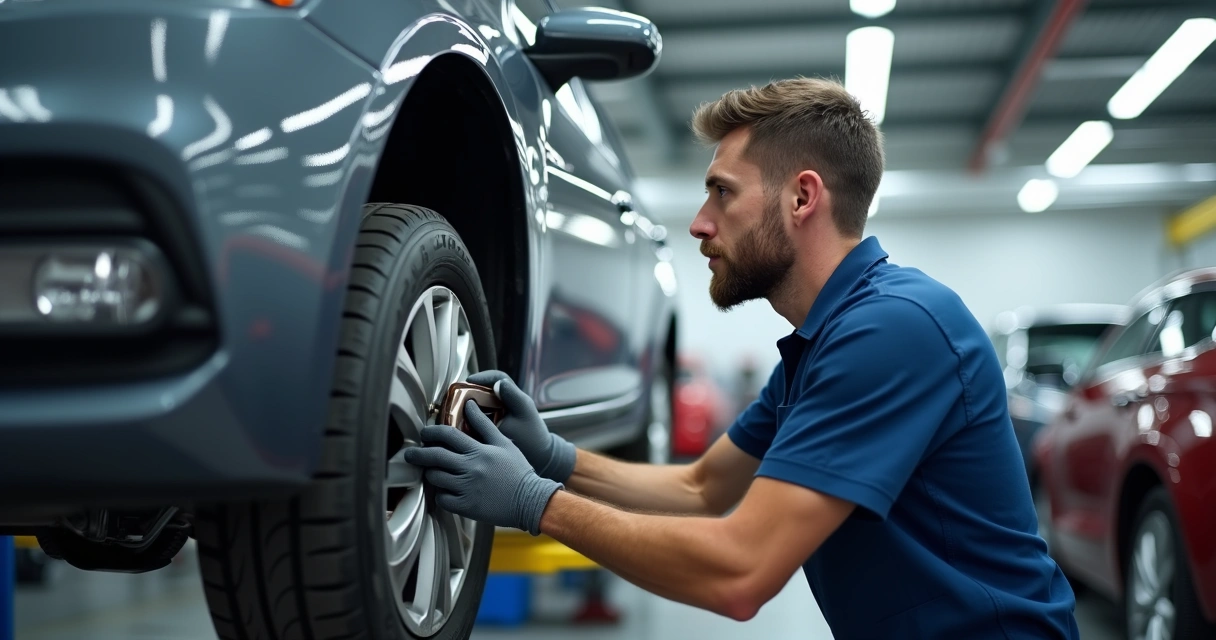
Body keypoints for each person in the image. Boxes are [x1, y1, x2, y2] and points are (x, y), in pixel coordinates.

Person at [403, 77, 1081, 639]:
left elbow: (740, 573)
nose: (699, 221)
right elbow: (703, 487)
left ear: (803, 197)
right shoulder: (824, 345)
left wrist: (532, 502)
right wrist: (553, 457)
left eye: (722, 191)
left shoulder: (895, 330)